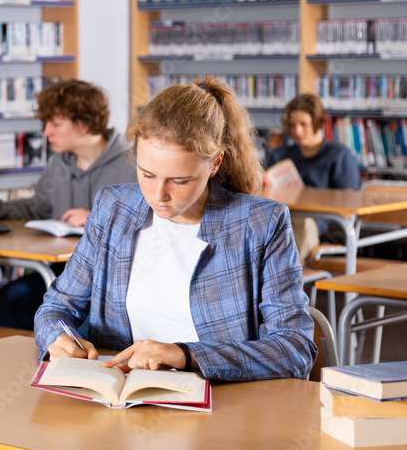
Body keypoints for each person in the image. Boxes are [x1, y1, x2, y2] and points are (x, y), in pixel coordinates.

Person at [35, 76, 316, 381]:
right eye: (147, 174)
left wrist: (186, 355)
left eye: (180, 181)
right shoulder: (113, 208)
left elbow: (294, 350)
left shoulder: (261, 223)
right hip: (121, 401)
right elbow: (57, 306)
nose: (158, 195)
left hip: (222, 406)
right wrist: (54, 337)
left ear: (214, 163)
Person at [0, 80, 136, 330]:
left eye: (55, 124)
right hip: (62, 272)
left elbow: (152, 219)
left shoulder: (133, 162)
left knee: (85, 322)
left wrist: (97, 217)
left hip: (114, 278)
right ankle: (42, 359)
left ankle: (68, 356)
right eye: (46, 124)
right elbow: (35, 207)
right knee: (7, 302)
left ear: (83, 124)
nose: (47, 132)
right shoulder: (59, 164)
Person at [265, 93, 360, 260]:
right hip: (283, 218)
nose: (297, 131)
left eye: (304, 124)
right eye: (292, 125)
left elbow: (348, 208)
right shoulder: (280, 155)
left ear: (317, 123)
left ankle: (284, 279)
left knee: (300, 224)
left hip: (321, 226)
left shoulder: (339, 156)